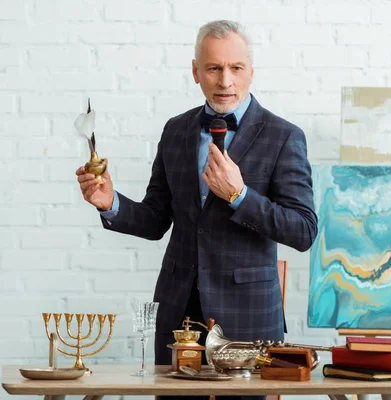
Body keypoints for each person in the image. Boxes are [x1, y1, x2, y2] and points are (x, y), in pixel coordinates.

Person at [76, 20, 318, 400]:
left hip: (248, 319)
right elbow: (157, 219)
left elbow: (303, 231)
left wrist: (239, 195)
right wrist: (111, 203)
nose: (225, 81)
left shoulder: (283, 136)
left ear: (250, 71)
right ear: (195, 72)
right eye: (213, 68)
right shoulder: (175, 130)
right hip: (178, 315)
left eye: (236, 68)